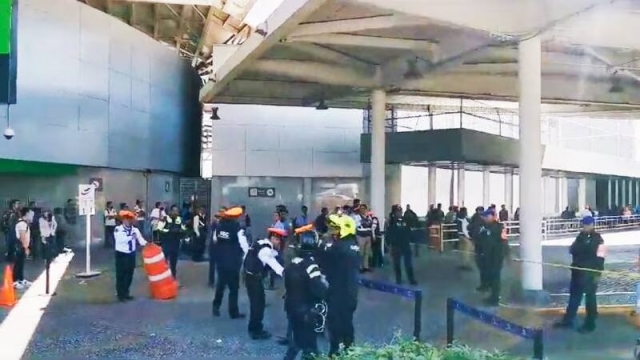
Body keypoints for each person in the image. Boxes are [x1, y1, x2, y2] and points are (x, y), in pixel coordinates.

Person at [283, 224, 328, 360]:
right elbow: (319, 289)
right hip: (306, 311)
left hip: (291, 307)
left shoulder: (293, 263)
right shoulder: (311, 265)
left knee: (296, 342)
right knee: (309, 346)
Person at [553, 216, 605, 333]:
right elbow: (572, 250)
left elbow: (601, 258)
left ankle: (590, 324)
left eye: (587, 225)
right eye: (583, 225)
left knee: (590, 298)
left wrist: (598, 273)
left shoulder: (599, 240)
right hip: (578, 272)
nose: (585, 227)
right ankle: (568, 321)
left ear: (592, 225)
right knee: (574, 297)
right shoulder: (580, 237)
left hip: (590, 273)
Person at [323, 214, 360, 357]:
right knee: (347, 324)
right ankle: (349, 350)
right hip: (348, 293)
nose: (333, 231)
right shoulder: (352, 245)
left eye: (336, 228)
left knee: (335, 324)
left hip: (338, 293)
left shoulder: (339, 247)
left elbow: (324, 261)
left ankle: (335, 352)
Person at [243, 227, 285, 340]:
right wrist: (284, 272)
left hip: (250, 276)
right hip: (253, 278)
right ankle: (255, 330)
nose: (279, 242)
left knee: (258, 302)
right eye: (278, 239)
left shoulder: (261, 242)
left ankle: (255, 327)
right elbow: (272, 262)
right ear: (273, 238)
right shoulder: (265, 249)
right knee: (258, 304)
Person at [212, 206, 248, 320]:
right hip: (233, 262)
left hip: (221, 261)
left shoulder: (219, 226)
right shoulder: (238, 228)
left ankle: (216, 307)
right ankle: (233, 312)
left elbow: (215, 240)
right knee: (233, 288)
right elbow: (244, 245)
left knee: (220, 285)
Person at [114, 210, 148, 301]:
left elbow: (141, 240)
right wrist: (131, 237)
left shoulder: (135, 230)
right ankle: (120, 295)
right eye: (126, 219)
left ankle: (126, 292)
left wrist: (148, 244)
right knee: (121, 275)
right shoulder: (118, 229)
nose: (128, 221)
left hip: (131, 254)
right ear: (123, 220)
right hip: (121, 254)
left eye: (129, 219)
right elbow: (119, 240)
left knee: (129, 274)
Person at [477, 209, 507, 306]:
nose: (485, 218)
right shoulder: (486, 227)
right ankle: (492, 296)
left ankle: (495, 298)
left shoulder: (498, 227)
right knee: (491, 276)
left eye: (487, 216)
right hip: (488, 257)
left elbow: (502, 243)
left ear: (493, 216)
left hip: (496, 257)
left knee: (495, 278)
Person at [386, 206, 417, 285]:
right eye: (398, 211)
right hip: (396, 245)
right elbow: (389, 233)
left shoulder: (405, 220)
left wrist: (411, 238)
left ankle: (411, 279)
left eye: (400, 211)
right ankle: (398, 278)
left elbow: (409, 230)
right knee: (397, 263)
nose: (399, 213)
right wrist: (389, 242)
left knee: (408, 263)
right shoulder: (392, 222)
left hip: (405, 244)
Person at [156, 205, 186, 279]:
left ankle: (173, 277)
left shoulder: (180, 219)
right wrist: (169, 231)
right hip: (166, 242)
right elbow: (159, 229)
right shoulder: (165, 218)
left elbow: (184, 229)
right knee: (164, 260)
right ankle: (162, 277)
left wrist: (181, 232)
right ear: (171, 211)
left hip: (175, 243)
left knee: (174, 261)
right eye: (174, 210)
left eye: (177, 211)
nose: (176, 212)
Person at [13, 207, 34, 290]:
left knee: (21, 263)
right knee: (18, 264)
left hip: (22, 246)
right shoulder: (22, 224)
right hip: (20, 246)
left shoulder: (24, 223)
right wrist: (26, 248)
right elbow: (22, 237)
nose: (32, 216)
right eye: (31, 214)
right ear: (27, 213)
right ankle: (14, 282)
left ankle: (21, 280)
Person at [208, 207, 225, 287]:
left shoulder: (226, 223)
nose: (221, 213)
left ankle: (222, 281)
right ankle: (211, 281)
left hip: (222, 247)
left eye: (223, 212)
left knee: (222, 265)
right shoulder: (215, 222)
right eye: (220, 211)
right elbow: (211, 231)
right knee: (212, 265)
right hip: (213, 246)